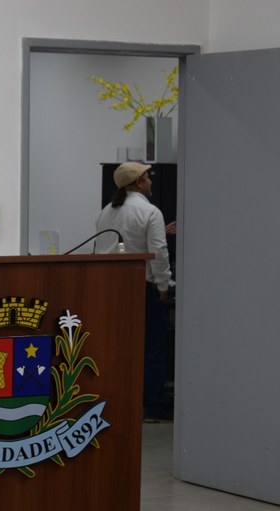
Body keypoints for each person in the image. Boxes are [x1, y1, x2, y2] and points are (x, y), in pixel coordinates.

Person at [95, 161, 173, 422]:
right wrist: (163, 285)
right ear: (138, 183)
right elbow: (158, 252)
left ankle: (120, 402)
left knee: (118, 347)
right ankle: (154, 405)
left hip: (110, 289)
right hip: (142, 289)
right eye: (147, 177)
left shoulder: (106, 212)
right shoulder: (150, 211)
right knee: (152, 348)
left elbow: (107, 247)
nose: (151, 181)